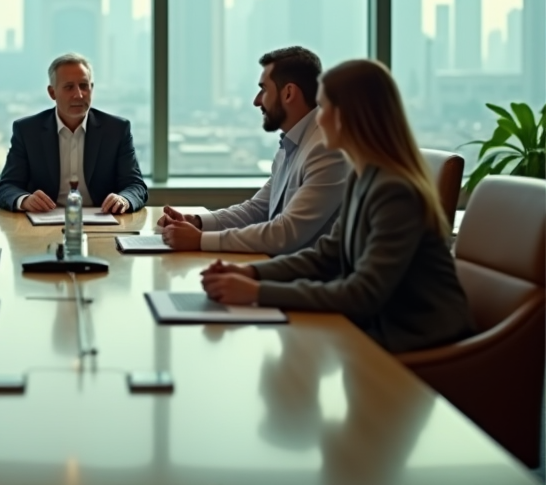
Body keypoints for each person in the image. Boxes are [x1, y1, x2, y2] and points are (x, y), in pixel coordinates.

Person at [200, 58, 475, 354]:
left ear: (346, 116)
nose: (317, 119)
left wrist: (258, 292)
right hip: (377, 331)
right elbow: (325, 257)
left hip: (417, 344)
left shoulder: (396, 191)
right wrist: (252, 274)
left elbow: (362, 293)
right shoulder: (364, 177)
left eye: (323, 107)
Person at [159, 47, 348, 254]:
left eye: (264, 89)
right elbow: (258, 210)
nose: (257, 101)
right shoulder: (293, 143)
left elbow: (286, 232)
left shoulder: (326, 148)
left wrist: (201, 240)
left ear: (288, 93)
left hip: (311, 281)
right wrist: (197, 222)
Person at [0, 53, 148, 213]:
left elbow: (135, 186)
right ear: (52, 92)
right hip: (44, 225)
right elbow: (7, 187)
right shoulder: (28, 131)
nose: (79, 94)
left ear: (92, 88)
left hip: (103, 222)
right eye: (69, 87)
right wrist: (25, 200)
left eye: (84, 85)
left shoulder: (116, 130)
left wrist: (123, 199)